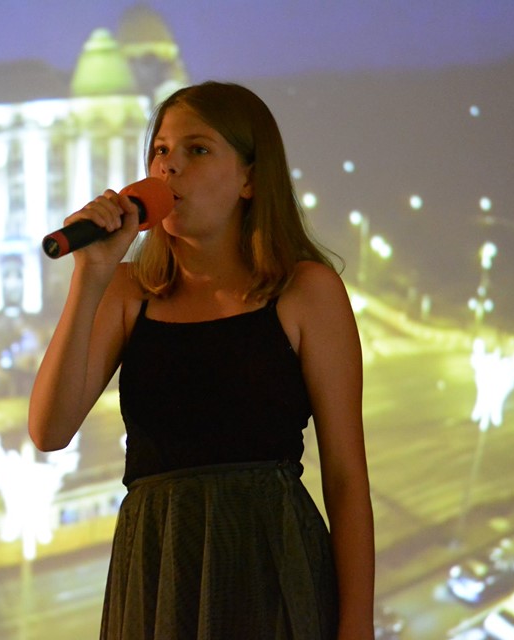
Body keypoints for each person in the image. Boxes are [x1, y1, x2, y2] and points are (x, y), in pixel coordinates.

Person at [29, 81, 374, 639]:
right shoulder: (128, 290)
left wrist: (356, 625)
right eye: (160, 150)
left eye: (198, 149)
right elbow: (48, 430)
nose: (169, 166)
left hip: (270, 565)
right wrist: (90, 276)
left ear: (249, 179)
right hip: (160, 568)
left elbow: (345, 476)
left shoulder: (305, 290)